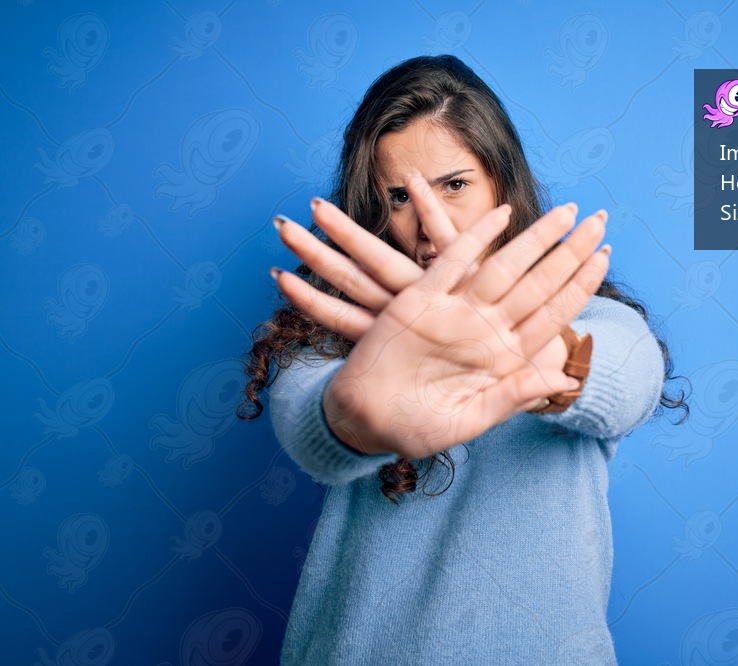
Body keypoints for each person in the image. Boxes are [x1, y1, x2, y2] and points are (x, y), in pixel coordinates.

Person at [239, 54, 686, 665]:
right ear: (374, 214)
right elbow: (309, 424)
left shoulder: (596, 320)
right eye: (400, 197)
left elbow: (630, 376)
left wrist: (519, 353)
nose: (432, 223)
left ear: (503, 183)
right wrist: (354, 417)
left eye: (454, 185)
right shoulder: (333, 336)